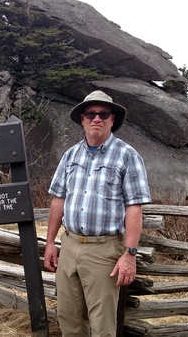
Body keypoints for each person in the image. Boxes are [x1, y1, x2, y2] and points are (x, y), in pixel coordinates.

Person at [43, 90, 152, 337]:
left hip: (104, 250)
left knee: (102, 325)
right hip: (69, 246)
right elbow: (58, 199)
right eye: (91, 114)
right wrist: (50, 242)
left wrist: (130, 255)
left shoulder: (127, 155)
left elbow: (134, 207)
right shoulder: (71, 155)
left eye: (103, 114)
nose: (97, 119)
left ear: (112, 119)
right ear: (82, 119)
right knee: (68, 317)